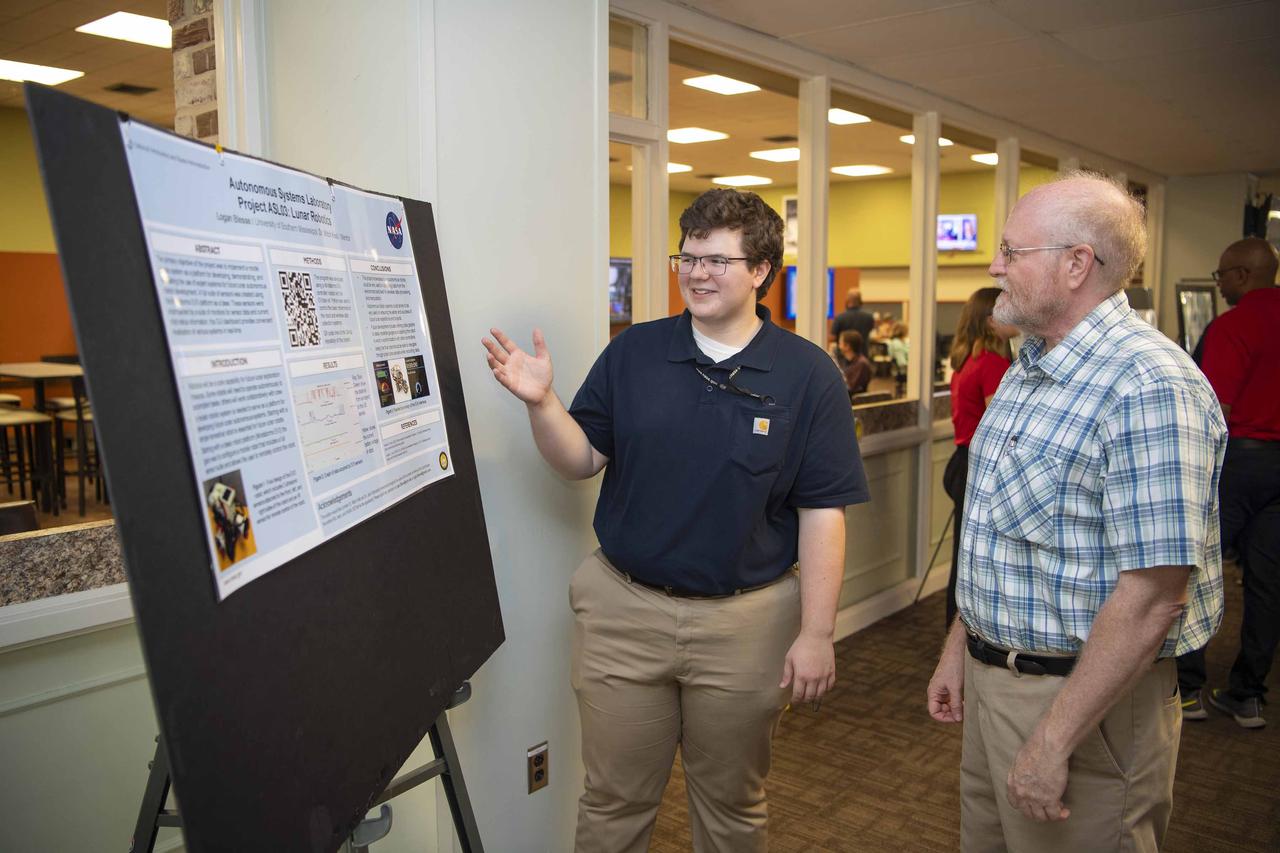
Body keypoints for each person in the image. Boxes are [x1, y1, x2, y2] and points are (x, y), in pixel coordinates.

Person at [483, 188, 869, 852]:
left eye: (718, 259)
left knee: (732, 806)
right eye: (687, 256)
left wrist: (817, 631)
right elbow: (580, 459)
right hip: (624, 611)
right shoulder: (635, 353)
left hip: (745, 622)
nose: (696, 272)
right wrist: (542, 403)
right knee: (612, 802)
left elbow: (823, 512)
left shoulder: (808, 375)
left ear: (760, 271)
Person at [926, 173, 1227, 852]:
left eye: (1011, 250)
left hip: (1084, 705)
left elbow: (1153, 597)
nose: (995, 264)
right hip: (995, 680)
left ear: (1076, 264)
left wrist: (1053, 738)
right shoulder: (1031, 365)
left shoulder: (1148, 385)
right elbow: (998, 541)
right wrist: (960, 651)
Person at [1177, 237, 1280, 728]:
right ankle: (1247, 693)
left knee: (1193, 569)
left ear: (1242, 275)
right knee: (1268, 584)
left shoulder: (1231, 326)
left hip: (1239, 461)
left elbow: (1214, 411)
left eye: (1220, 276)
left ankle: (1188, 689)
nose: (1217, 285)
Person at [941, 287, 1015, 629]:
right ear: (989, 321)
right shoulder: (992, 365)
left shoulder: (968, 361)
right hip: (976, 463)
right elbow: (1001, 426)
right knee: (972, 558)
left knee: (963, 555)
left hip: (962, 460)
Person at [831, 288, 874, 358]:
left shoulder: (840, 318)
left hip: (844, 358)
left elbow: (832, 338)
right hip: (863, 355)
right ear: (860, 302)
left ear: (847, 301)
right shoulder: (869, 317)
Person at [838, 330, 872, 396]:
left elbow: (851, 388)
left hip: (853, 402)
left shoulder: (861, 364)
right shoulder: (846, 360)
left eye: (840, 343)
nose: (839, 346)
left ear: (847, 346)